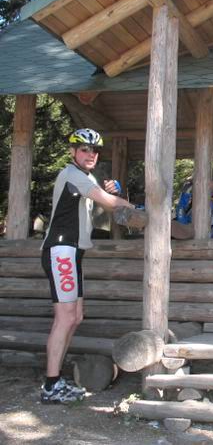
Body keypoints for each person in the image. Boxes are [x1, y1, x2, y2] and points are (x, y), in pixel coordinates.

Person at [40, 128, 134, 404]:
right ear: (73, 152)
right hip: (62, 250)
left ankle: (55, 380)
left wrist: (116, 193)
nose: (90, 154)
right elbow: (108, 203)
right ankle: (51, 385)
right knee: (65, 318)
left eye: (94, 150)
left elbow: (106, 200)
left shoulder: (87, 177)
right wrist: (138, 208)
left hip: (73, 253)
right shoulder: (71, 174)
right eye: (84, 149)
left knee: (76, 317)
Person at [172, 167, 213, 239]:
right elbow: (181, 208)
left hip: (202, 231)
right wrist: (184, 226)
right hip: (184, 226)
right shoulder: (190, 188)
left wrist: (209, 238)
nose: (212, 190)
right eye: (209, 186)